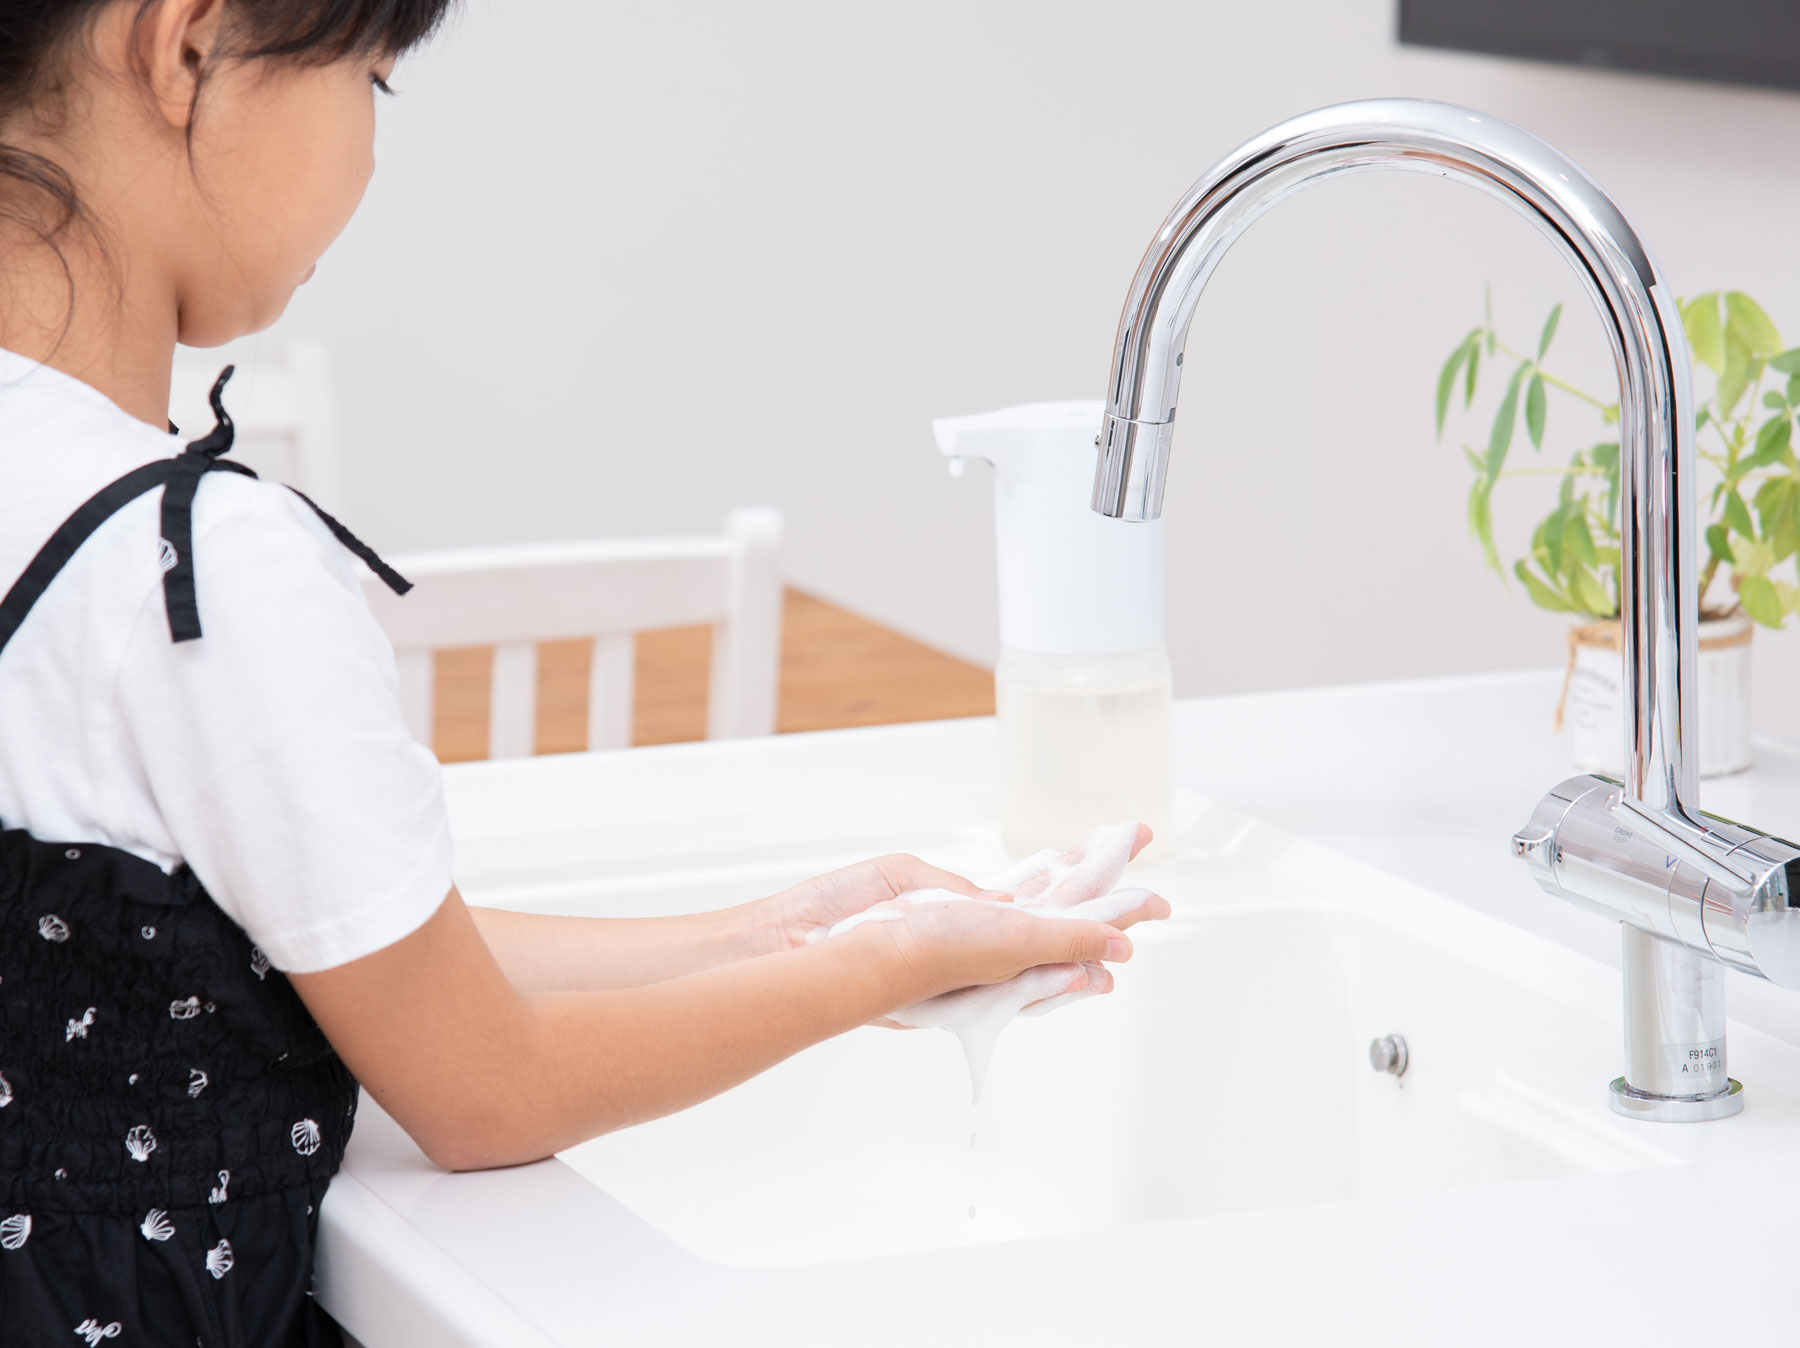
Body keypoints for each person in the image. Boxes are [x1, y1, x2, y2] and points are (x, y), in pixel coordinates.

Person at [0, 3, 1171, 1344]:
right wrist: (876, 973)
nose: (370, 158)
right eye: (374, 84)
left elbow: (328, 960)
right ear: (185, 46)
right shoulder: (191, 568)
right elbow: (484, 1090)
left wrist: (791, 929)